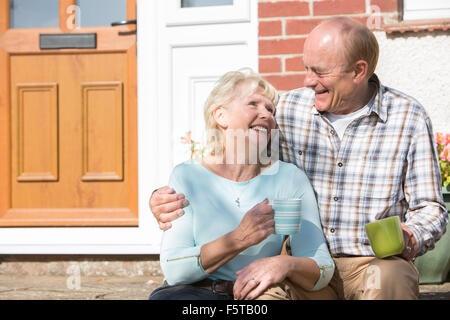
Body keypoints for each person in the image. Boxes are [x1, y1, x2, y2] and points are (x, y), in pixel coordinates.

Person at [150, 17, 448, 300]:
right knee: (261, 291)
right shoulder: (289, 108)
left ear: (358, 71)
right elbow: (236, 150)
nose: (308, 80)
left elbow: (431, 207)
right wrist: (164, 198)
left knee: (389, 277)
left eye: (319, 72)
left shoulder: (407, 116)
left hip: (373, 262)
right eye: (307, 68)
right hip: (302, 265)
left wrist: (413, 234)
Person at [149, 69, 335, 300]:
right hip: (193, 294)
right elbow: (174, 269)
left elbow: (322, 266)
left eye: (270, 109)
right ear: (221, 116)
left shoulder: (287, 179)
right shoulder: (188, 176)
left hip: (258, 296)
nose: (266, 114)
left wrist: (285, 264)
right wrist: (239, 238)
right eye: (253, 104)